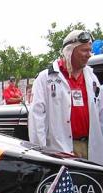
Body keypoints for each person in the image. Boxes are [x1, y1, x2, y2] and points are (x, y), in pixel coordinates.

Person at [29, 30, 103, 164]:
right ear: (70, 51)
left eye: (90, 50)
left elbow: (100, 114)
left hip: (91, 148)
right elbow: (37, 119)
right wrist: (39, 156)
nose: (89, 55)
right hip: (60, 151)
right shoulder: (46, 78)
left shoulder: (92, 78)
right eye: (84, 51)